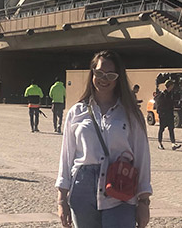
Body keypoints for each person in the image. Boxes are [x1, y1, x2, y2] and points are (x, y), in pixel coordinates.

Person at [56, 50, 152, 228]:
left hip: (121, 187)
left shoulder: (130, 114)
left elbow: (142, 157)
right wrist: (62, 199)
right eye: (99, 73)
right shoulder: (76, 112)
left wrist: (144, 201)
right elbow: (66, 157)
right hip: (82, 189)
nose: (104, 78)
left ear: (118, 77)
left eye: (110, 74)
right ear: (92, 72)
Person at [155, 79, 181, 150]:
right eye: (172, 85)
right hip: (163, 115)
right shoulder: (162, 95)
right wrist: (161, 113)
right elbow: (159, 106)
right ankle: (159, 143)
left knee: (171, 129)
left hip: (169, 114)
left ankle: (173, 144)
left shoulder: (171, 94)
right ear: (169, 86)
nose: (173, 87)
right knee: (161, 129)